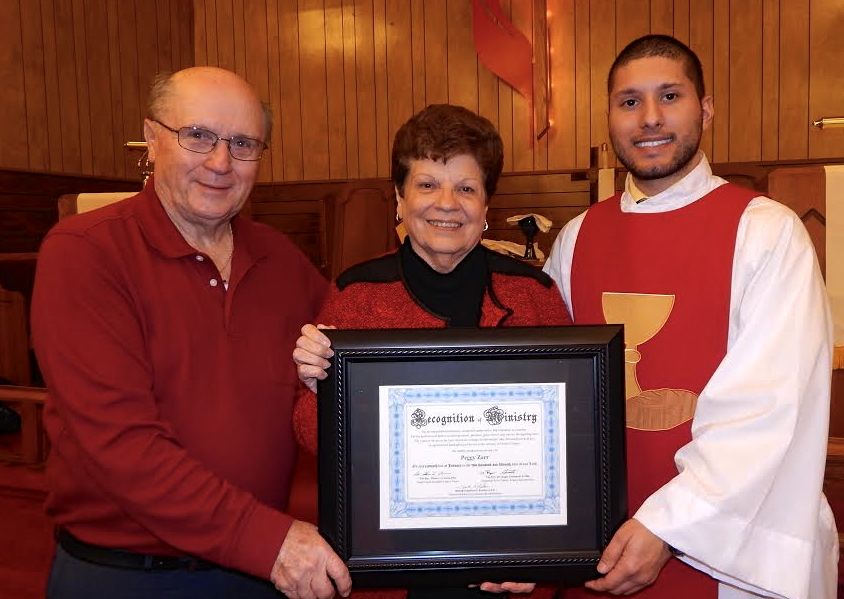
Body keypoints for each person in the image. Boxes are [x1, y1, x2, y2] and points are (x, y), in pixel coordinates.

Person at [31, 66, 351, 599]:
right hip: (127, 576)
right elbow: (123, 446)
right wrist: (268, 543)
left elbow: (366, 357)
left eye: (243, 144)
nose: (221, 162)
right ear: (152, 141)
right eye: (198, 136)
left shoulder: (280, 259)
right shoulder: (85, 253)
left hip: (256, 572)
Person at [541, 34, 838, 598]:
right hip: (598, 542)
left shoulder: (766, 231)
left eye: (670, 97)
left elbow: (774, 405)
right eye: (629, 102)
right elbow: (550, 387)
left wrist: (667, 524)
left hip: (729, 555)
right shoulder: (577, 239)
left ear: (705, 110)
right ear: (609, 118)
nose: (649, 118)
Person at [292, 103, 571, 599]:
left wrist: (549, 554)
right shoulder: (356, 296)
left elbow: (573, 441)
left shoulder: (534, 295)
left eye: (466, 188)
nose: (446, 203)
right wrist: (319, 389)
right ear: (399, 200)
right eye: (426, 185)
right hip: (396, 564)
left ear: (487, 207)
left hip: (511, 561)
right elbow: (315, 441)